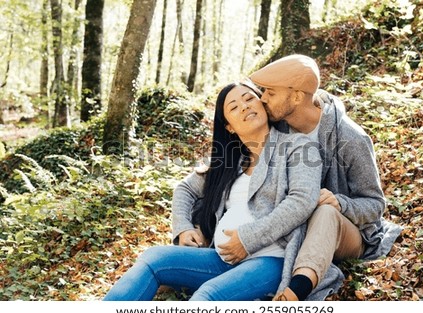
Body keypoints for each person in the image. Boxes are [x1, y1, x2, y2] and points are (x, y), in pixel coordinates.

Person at [103, 81, 322, 301]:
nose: (244, 107)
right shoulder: (228, 161)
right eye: (234, 107)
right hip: (223, 259)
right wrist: (183, 228)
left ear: (263, 104)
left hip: (273, 259)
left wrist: (247, 239)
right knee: (153, 258)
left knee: (206, 297)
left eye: (249, 99)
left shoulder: (297, 146)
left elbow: (302, 200)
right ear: (229, 126)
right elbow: (185, 188)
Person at [230, 54, 401, 301]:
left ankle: (298, 289)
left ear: (297, 96)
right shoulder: (279, 128)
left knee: (326, 212)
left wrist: (342, 203)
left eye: (270, 93)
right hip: (294, 230)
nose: (262, 99)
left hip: (348, 234)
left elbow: (375, 205)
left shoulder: (351, 139)